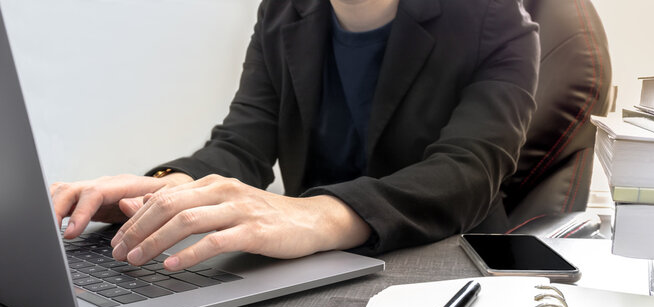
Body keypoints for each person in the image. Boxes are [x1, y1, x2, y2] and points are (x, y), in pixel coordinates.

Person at [51, 0, 539, 272]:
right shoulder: (282, 12)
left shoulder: (496, 20)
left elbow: (471, 170)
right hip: (313, 265)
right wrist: (166, 189)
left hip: (444, 263)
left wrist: (315, 214)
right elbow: (243, 143)